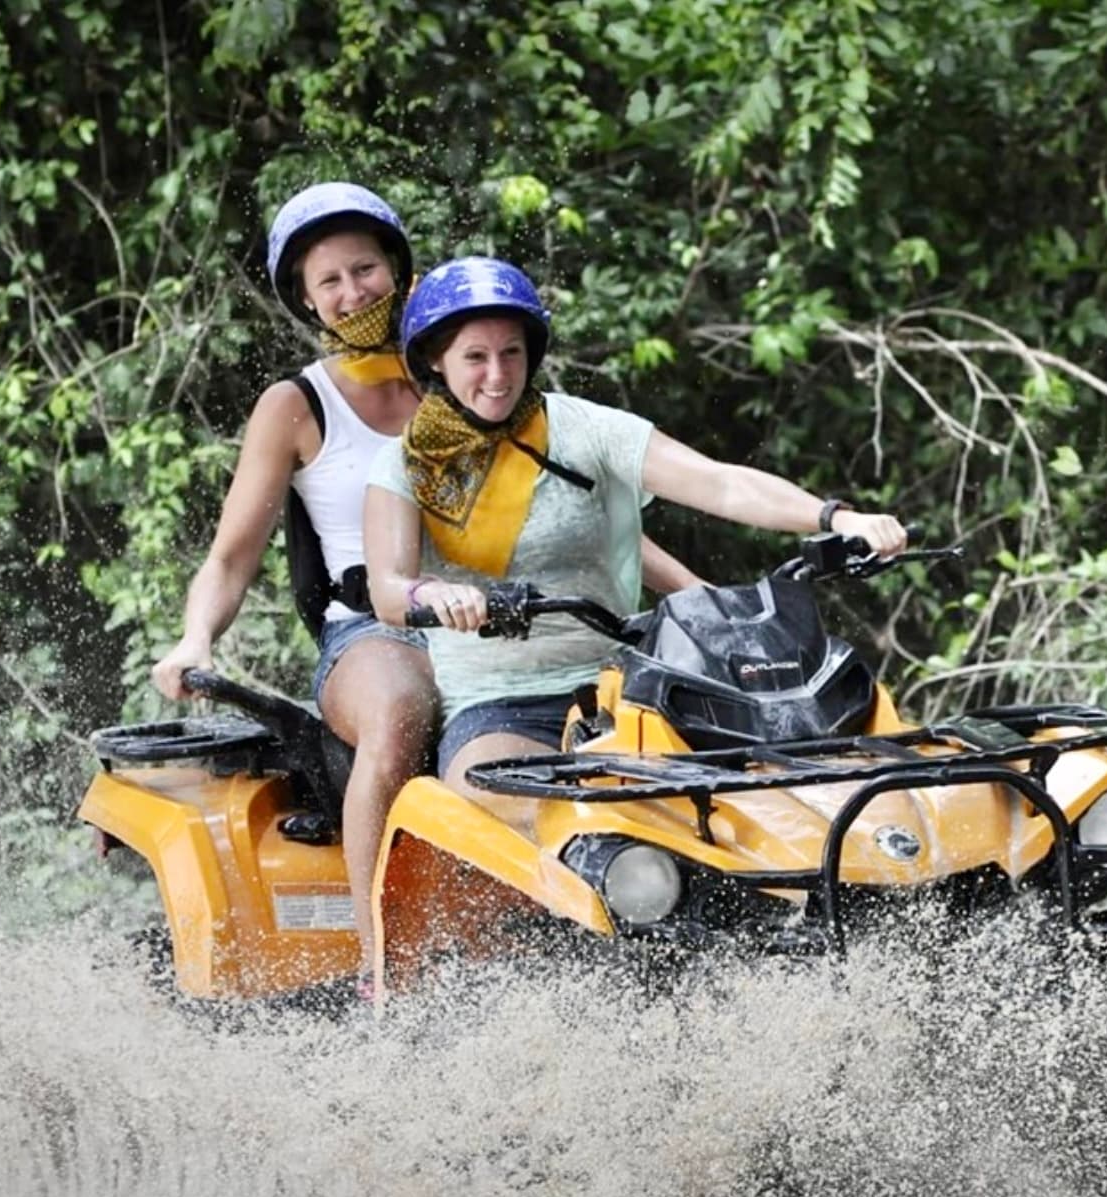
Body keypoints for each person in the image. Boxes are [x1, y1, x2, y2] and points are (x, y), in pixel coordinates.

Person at [152, 188, 700, 999]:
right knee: (403, 705)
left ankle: (625, 927)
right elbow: (232, 555)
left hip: (506, 623)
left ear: (400, 270)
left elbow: (580, 531)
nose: (352, 292)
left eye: (365, 268)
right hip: (376, 631)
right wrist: (196, 638)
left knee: (655, 712)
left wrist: (705, 601)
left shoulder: (469, 373)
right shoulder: (296, 406)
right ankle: (385, 967)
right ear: (305, 298)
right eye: (329, 279)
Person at [364, 256, 908, 830]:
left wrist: (835, 517)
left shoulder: (585, 429)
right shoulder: (403, 464)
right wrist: (439, 594)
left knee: (723, 815)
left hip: (631, 686)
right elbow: (389, 589)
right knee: (502, 814)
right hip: (500, 705)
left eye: (512, 353)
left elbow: (720, 482)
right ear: (434, 360)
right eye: (475, 357)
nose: (497, 375)